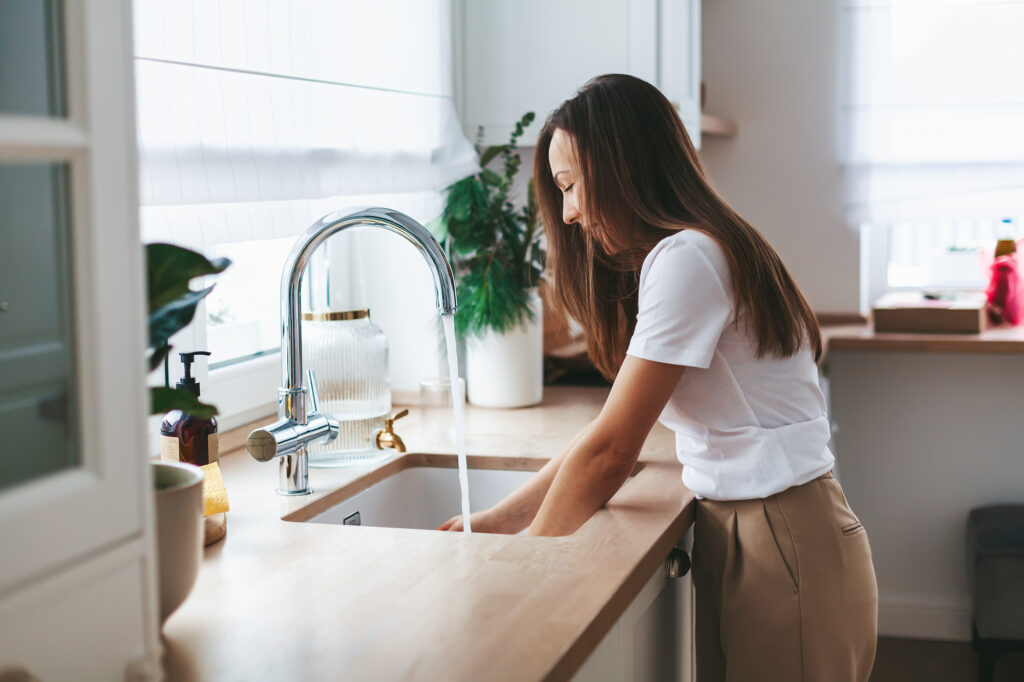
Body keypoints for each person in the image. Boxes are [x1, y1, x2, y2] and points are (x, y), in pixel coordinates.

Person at [438, 74, 877, 681]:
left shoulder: (687, 259)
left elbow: (612, 452)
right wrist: (503, 521)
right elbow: (607, 432)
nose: (566, 214)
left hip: (781, 537)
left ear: (621, 165)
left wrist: (528, 560)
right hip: (771, 531)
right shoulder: (702, 247)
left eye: (570, 186)